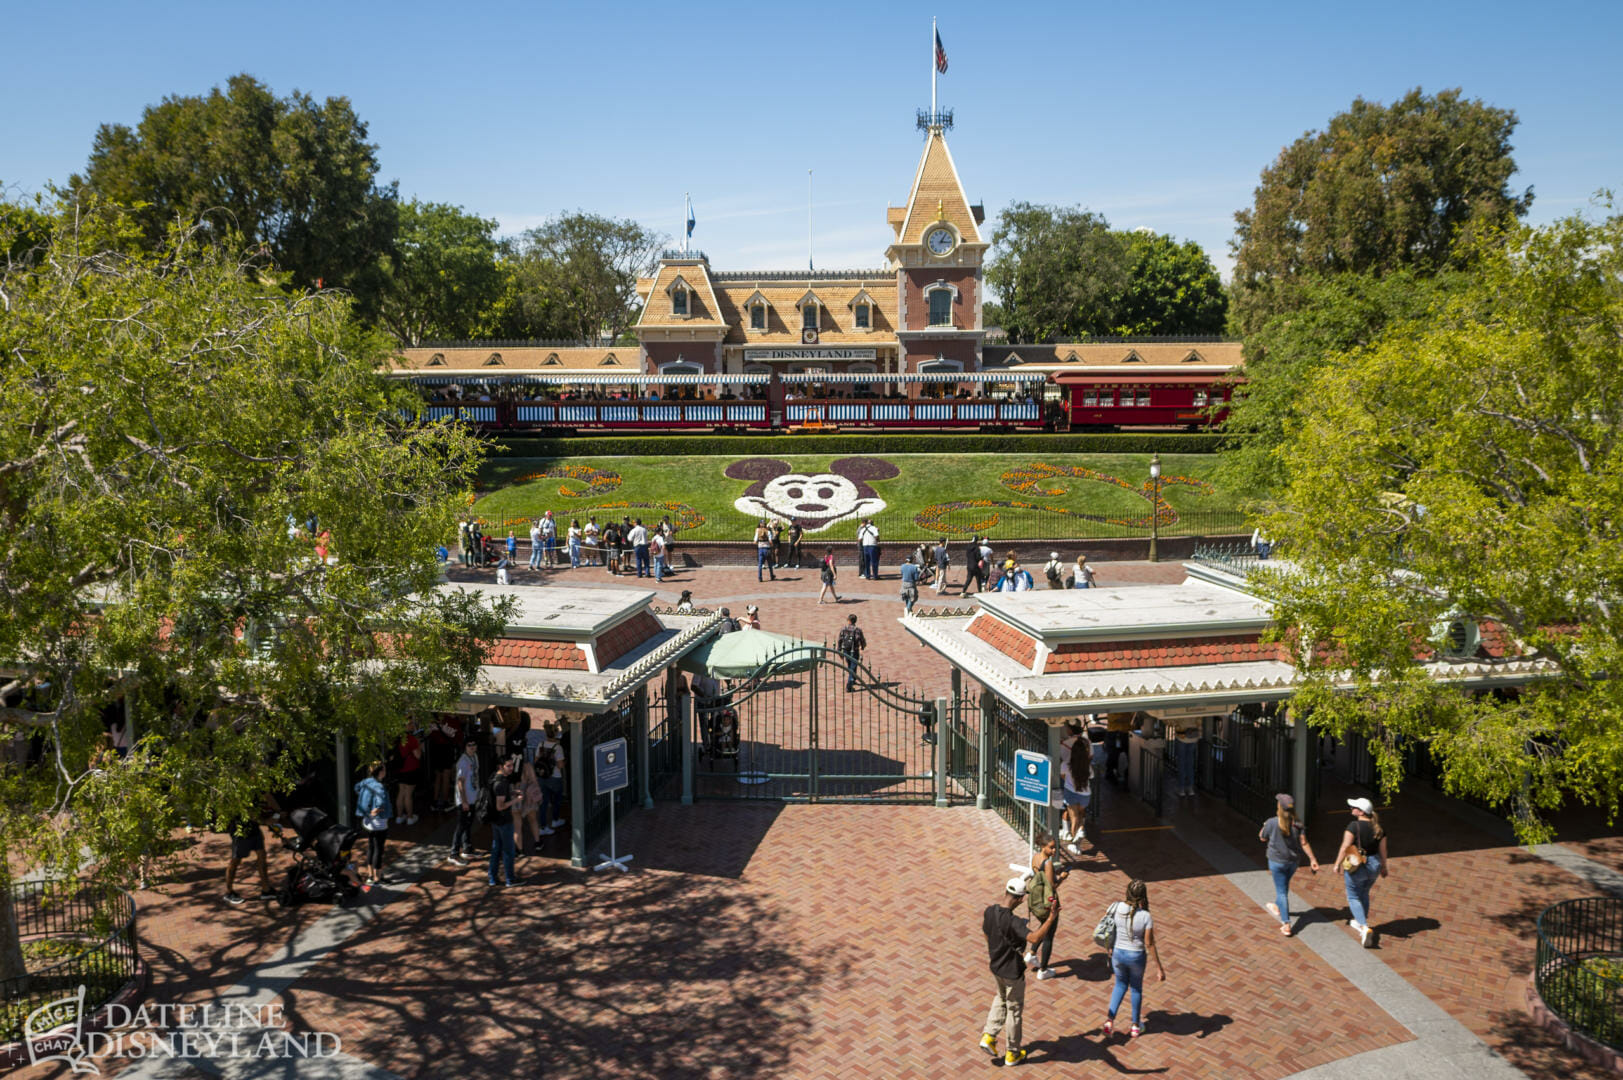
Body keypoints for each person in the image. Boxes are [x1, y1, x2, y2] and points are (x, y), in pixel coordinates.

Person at [979, 874, 1060, 1066]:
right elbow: (1034, 939)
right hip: (1013, 972)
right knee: (1014, 1009)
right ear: (1020, 899)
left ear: (1006, 891)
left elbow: (986, 933)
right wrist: (1050, 919)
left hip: (996, 967)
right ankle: (1013, 1053)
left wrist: (996, 951)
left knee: (1000, 998)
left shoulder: (990, 912)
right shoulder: (1014, 922)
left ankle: (989, 1036)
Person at [1102, 879, 1165, 1040]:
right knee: (1136, 988)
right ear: (1144, 896)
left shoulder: (1117, 907)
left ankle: (1109, 1021)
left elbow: (1110, 928)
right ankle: (1135, 1026)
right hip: (1136, 956)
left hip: (1118, 954)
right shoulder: (1145, 916)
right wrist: (1159, 967)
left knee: (1120, 985)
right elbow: (1149, 943)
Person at [1260, 793, 1320, 936]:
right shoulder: (1298, 824)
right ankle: (1277, 905)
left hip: (1276, 861)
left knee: (1282, 891)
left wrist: (1264, 826)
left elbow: (1262, 838)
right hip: (1293, 862)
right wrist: (1313, 859)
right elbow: (1304, 843)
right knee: (1283, 887)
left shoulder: (1272, 822)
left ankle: (1286, 923)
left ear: (1279, 807)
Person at [1333, 797, 1390, 947]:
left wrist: (1337, 864)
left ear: (1361, 811)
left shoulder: (1353, 826)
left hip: (1357, 864)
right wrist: (1384, 867)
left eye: (1354, 807)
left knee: (1352, 896)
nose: (1351, 809)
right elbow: (1383, 850)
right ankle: (1359, 921)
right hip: (1374, 865)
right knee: (1364, 893)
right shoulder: (1379, 829)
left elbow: (1344, 846)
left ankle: (1364, 927)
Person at [1024, 835, 1068, 980]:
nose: (1054, 850)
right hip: (1049, 903)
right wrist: (1062, 876)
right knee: (1048, 934)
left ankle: (1031, 954)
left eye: (1055, 847)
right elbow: (1052, 886)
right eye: (1051, 847)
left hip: (1036, 900)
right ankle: (1043, 970)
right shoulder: (1048, 863)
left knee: (1044, 926)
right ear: (1043, 847)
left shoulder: (1035, 857)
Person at [355, 761, 392, 889]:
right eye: (384, 769)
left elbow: (356, 788)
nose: (385, 771)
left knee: (371, 847)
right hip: (378, 821)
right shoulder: (379, 786)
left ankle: (370, 875)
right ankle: (377, 877)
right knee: (378, 849)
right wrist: (375, 810)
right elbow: (380, 803)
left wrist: (367, 808)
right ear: (380, 771)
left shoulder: (366, 782)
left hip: (367, 821)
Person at [224, 813, 272, 906]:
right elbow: (251, 814)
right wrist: (268, 820)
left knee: (262, 856)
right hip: (240, 832)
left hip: (254, 830)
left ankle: (266, 890)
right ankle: (229, 892)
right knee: (235, 861)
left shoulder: (258, 798)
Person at [488, 754, 521, 887]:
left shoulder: (494, 778)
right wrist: (515, 800)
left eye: (512, 765)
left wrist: (511, 793)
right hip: (503, 820)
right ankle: (510, 879)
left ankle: (492, 877)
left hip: (495, 820)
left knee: (496, 848)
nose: (511, 768)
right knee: (508, 850)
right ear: (501, 767)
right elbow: (500, 806)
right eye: (508, 766)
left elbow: (498, 797)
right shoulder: (501, 783)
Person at [448, 737, 479, 866]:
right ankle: (454, 853)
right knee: (461, 825)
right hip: (464, 799)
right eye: (469, 745)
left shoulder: (475, 757)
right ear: (465, 747)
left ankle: (467, 847)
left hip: (472, 797)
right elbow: (460, 782)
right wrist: (464, 801)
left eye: (473, 744)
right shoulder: (463, 761)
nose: (472, 747)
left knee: (468, 823)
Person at [1060, 727, 1091, 853]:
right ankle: (1081, 830)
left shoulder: (1066, 765)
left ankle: (1075, 843)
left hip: (1071, 793)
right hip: (1085, 794)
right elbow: (1091, 776)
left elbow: (1062, 776)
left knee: (1074, 819)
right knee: (1081, 815)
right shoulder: (1087, 766)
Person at [393, 726, 423, 825]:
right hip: (411, 769)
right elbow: (418, 755)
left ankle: (399, 816)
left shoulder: (397, 738)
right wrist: (419, 745)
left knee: (401, 792)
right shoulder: (411, 739)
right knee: (408, 794)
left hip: (399, 769)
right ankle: (410, 817)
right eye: (409, 723)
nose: (412, 725)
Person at [517, 757, 544, 855]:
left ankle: (519, 849)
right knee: (533, 820)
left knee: (517, 824)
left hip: (517, 795)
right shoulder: (527, 765)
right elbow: (534, 780)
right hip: (529, 796)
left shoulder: (509, 764)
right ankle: (537, 842)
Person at [1171, 717, 1200, 798]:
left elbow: (1172, 721)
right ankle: (1190, 789)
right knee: (1190, 763)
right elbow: (1199, 721)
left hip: (1181, 737)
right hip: (1193, 736)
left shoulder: (1180, 708)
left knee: (1181, 763)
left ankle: (1181, 789)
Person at [837, 614, 866, 692]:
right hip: (854, 650)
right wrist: (862, 647)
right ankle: (849, 684)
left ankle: (853, 679)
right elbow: (862, 640)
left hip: (846, 650)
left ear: (848, 620)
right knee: (853, 667)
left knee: (850, 665)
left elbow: (839, 640)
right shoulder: (858, 630)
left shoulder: (843, 629)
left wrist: (839, 650)